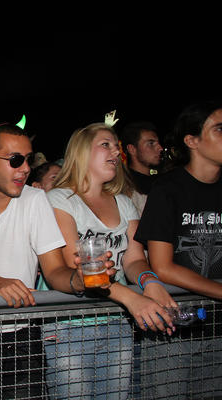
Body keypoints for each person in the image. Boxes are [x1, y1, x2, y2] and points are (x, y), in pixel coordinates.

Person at [0, 124, 115, 399]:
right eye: (15, 160)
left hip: (19, 332)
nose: (25, 168)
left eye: (28, 159)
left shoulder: (35, 199)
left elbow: (54, 271)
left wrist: (79, 280)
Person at [44, 122, 176, 399]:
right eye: (106, 145)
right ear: (81, 152)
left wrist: (150, 281)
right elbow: (73, 267)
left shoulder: (123, 202)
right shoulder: (60, 199)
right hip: (70, 323)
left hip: (116, 318)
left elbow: (134, 259)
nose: (116, 151)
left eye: (116, 147)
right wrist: (133, 299)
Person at [134, 100, 222, 398]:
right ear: (192, 141)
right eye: (219, 129)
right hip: (173, 326)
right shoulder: (167, 189)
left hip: (218, 327)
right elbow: (162, 267)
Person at [119, 121, 164, 213]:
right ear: (132, 149)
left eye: (158, 143)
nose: (160, 148)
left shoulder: (162, 182)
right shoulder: (123, 189)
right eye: (151, 143)